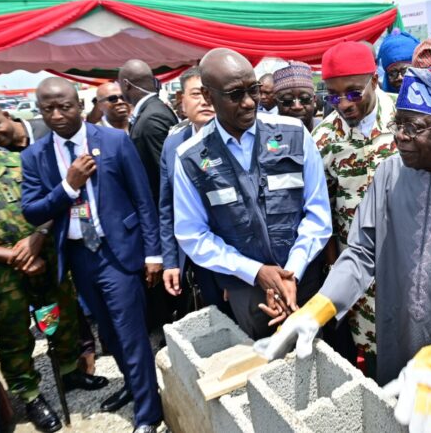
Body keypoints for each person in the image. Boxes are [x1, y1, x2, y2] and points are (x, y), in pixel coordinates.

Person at [257, 58, 431, 433]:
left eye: (414, 127)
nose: (399, 136)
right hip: (397, 346)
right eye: (398, 123)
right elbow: (362, 251)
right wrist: (319, 307)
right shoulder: (389, 173)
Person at [20, 77, 164, 433]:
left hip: (118, 252)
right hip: (79, 255)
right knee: (109, 337)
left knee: (130, 334)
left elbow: (144, 200)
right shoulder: (34, 156)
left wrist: (153, 253)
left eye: (64, 106)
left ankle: (148, 414)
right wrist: (69, 185)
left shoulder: (114, 141)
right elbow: (33, 211)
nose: (56, 115)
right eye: (48, 108)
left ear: (81, 107)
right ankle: (133, 387)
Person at [173, 48, 331, 339]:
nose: (249, 103)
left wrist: (291, 273)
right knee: (264, 367)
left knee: (316, 360)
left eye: (253, 90)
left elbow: (318, 213)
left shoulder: (294, 134)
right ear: (208, 97)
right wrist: (255, 272)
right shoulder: (191, 158)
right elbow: (192, 234)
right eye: (235, 94)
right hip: (246, 290)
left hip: (303, 278)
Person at [0, 149, 108, 433]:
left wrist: (38, 236)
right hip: (3, 273)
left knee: (58, 315)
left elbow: (53, 201)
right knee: (14, 335)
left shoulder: (18, 162)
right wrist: (12, 256)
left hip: (45, 257)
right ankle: (30, 396)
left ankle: (69, 371)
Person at [312, 41, 398, 373]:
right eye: (333, 96)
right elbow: (324, 212)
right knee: (372, 356)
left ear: (375, 80)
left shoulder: (406, 118)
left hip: (408, 260)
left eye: (353, 92)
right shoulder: (322, 139)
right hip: (358, 267)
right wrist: (336, 267)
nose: (344, 104)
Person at [159, 67, 230, 316]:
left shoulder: (234, 139)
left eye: (209, 94)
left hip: (232, 256)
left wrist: (233, 272)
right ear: (182, 101)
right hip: (194, 258)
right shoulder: (173, 144)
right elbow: (167, 207)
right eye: (196, 94)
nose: (204, 101)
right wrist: (170, 261)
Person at [118, 59, 177, 331]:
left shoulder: (151, 118)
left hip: (164, 219)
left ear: (126, 85)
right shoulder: (152, 112)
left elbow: (167, 179)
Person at [272, 61, 317, 131]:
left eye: (305, 99)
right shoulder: (267, 136)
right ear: (276, 102)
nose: (297, 106)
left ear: (314, 99)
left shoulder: (327, 132)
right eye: (287, 100)